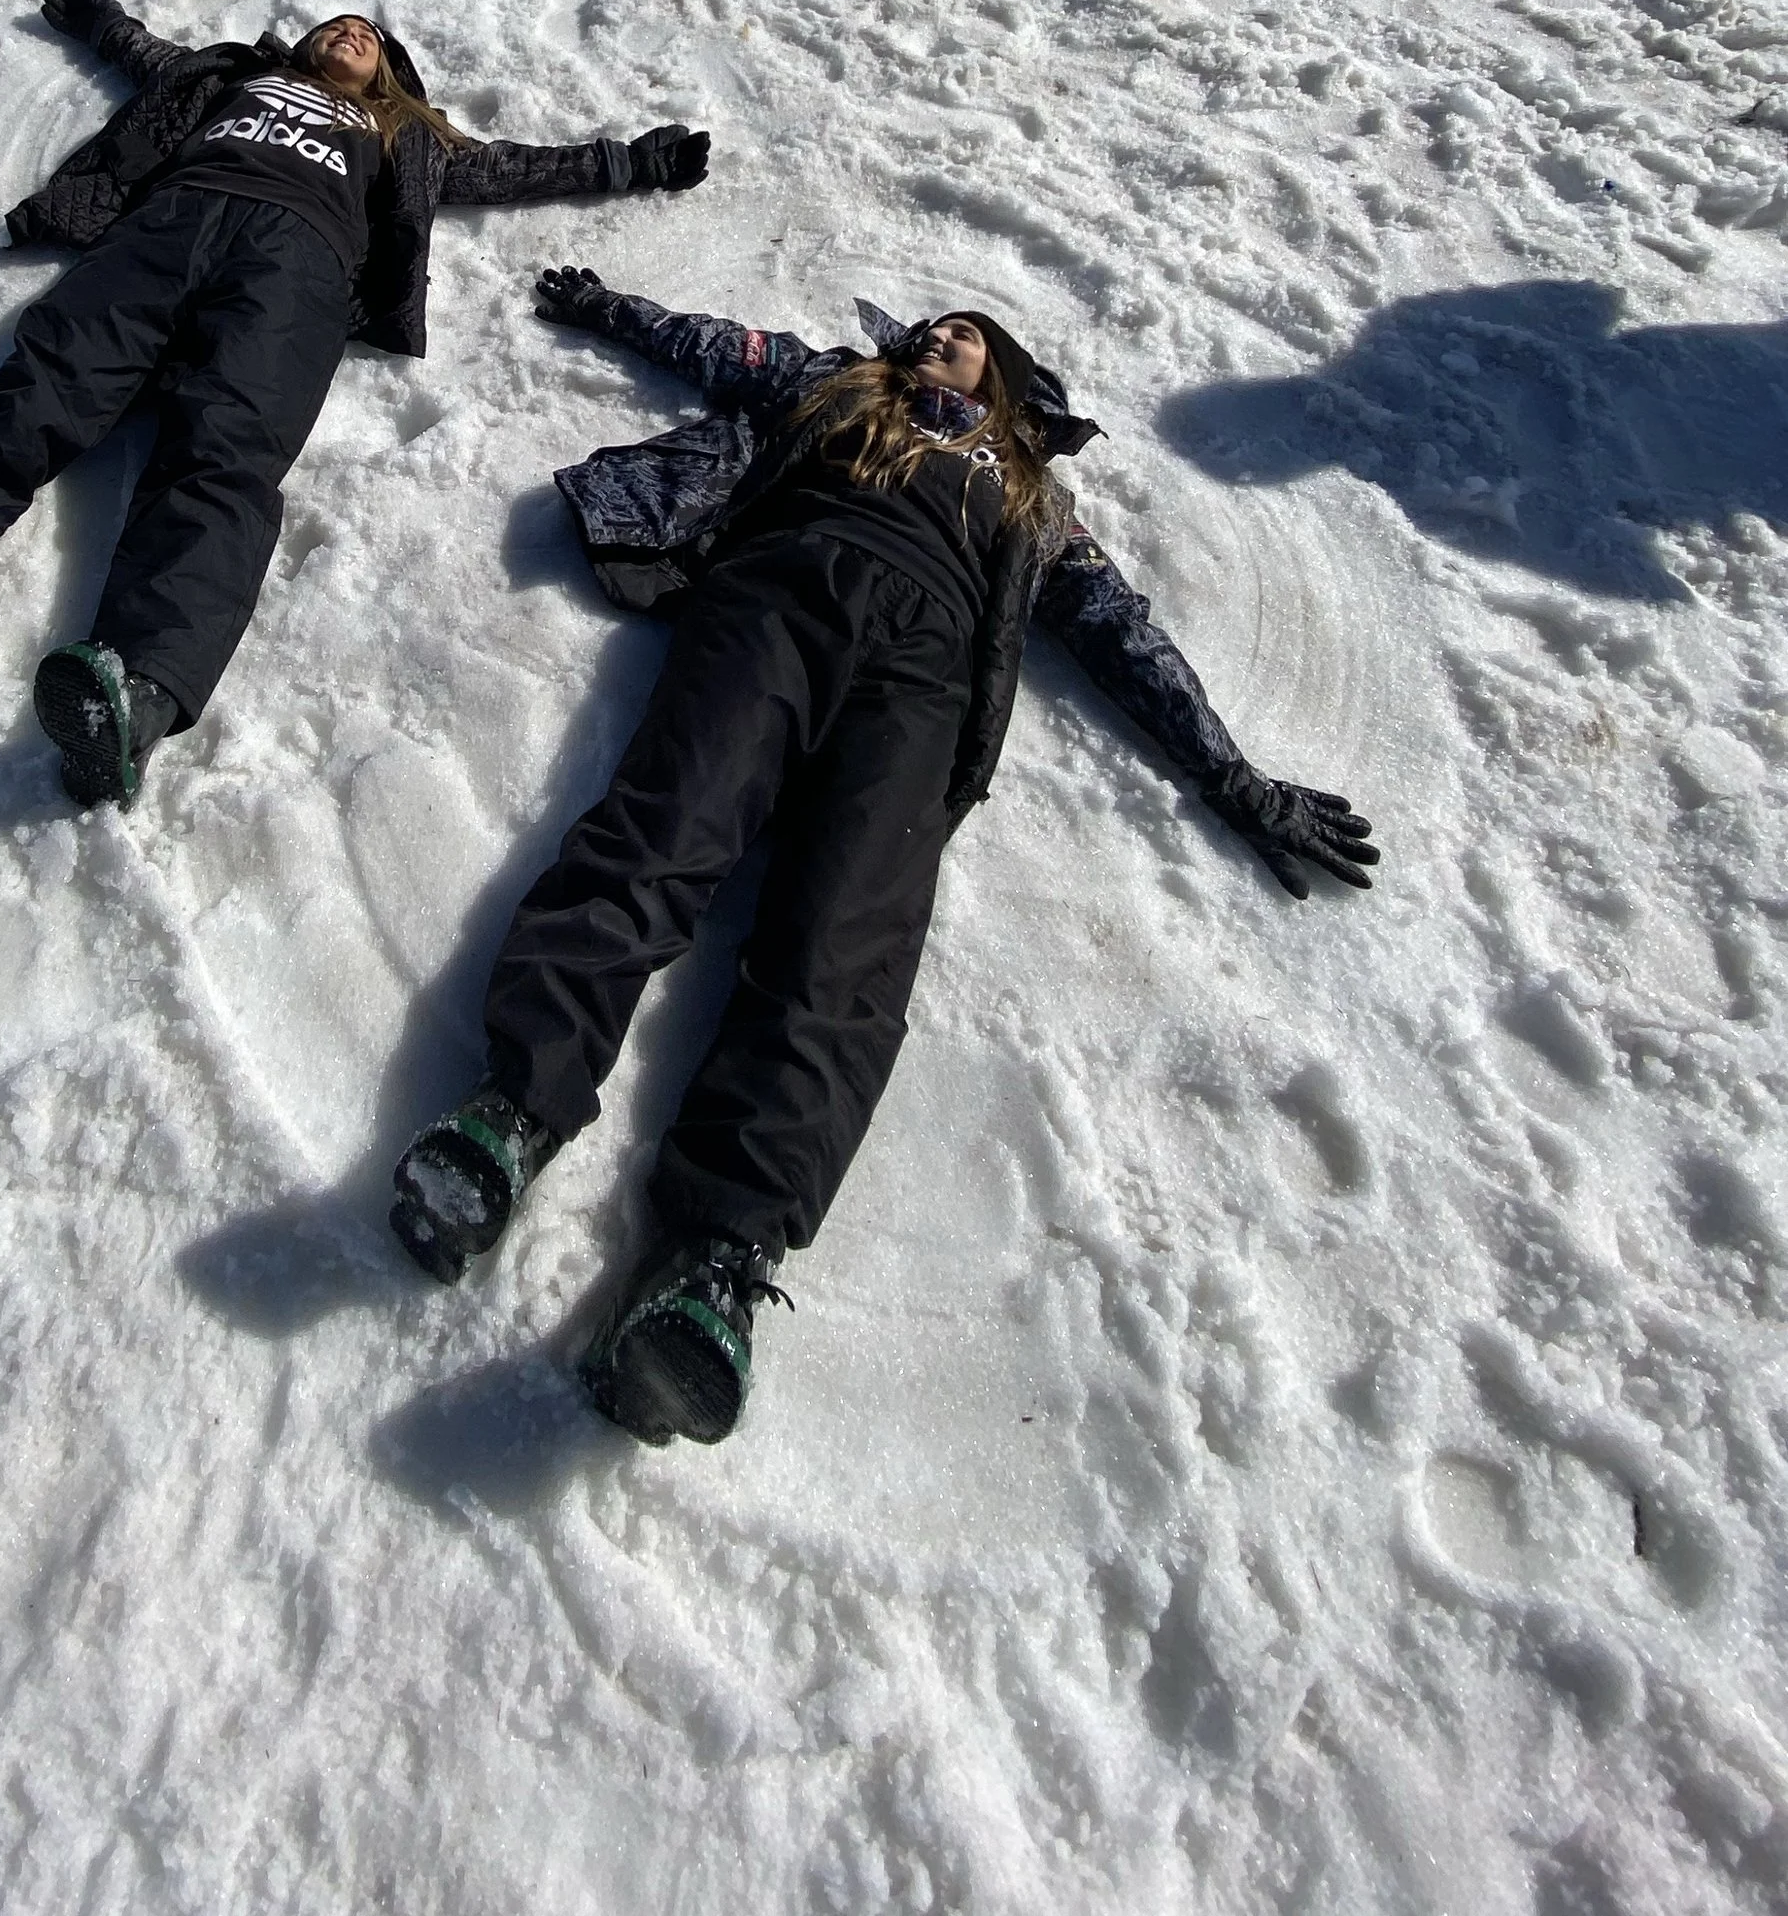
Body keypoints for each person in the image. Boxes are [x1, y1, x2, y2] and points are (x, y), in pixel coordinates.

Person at [390, 277, 1378, 1446]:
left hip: (923, 678)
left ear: (1005, 385)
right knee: (663, 831)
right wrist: (601, 302)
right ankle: (516, 1108)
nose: (941, 339)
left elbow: (1124, 636)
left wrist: (1230, 774)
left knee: (847, 942)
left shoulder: (1029, 495)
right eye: (933, 330)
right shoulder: (834, 387)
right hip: (777, 597)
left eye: (968, 338)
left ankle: (711, 1262)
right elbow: (715, 339)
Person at [0, 0, 714, 799]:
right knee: (23, 410)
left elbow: (516, 168)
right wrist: (99, 22)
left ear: (390, 79)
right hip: (161, 237)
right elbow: (147, 55)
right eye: (336, 26)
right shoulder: (236, 81)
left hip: (294, 275)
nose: (351, 34)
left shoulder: (403, 137)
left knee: (224, 464)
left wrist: (633, 162)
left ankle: (136, 695)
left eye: (370, 39)